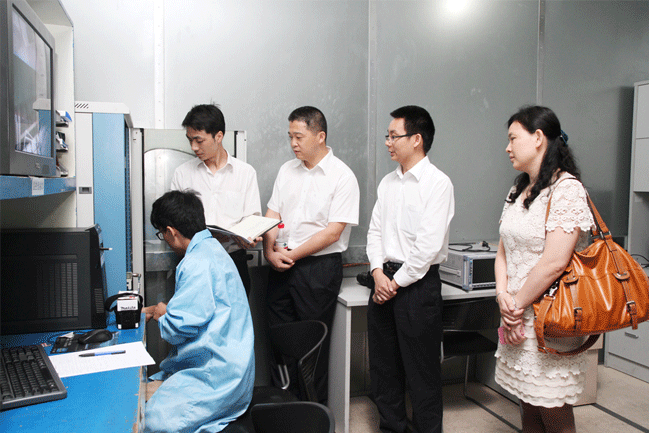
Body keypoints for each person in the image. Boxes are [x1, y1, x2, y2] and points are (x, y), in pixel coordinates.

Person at [495, 105, 595, 432]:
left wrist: (515, 304)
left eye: (513, 138)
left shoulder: (567, 189)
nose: (507, 147)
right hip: (515, 314)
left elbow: (554, 262)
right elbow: (503, 251)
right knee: (527, 401)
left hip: (550, 316)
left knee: (552, 407)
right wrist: (502, 296)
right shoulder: (517, 190)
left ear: (538, 138)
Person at [366, 105, 454, 432]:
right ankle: (392, 428)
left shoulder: (438, 183)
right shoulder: (388, 182)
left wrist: (394, 283)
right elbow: (375, 232)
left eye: (394, 136)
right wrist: (377, 273)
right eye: (387, 136)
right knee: (383, 369)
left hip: (417, 286)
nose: (387, 142)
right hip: (383, 280)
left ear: (416, 139)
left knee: (421, 373)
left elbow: (427, 247)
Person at [262, 106, 360, 403]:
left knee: (311, 350)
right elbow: (272, 214)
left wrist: (290, 254)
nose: (293, 143)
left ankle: (313, 416)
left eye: (299, 137)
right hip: (279, 265)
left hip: (317, 270)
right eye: (290, 136)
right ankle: (284, 412)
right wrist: (268, 250)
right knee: (279, 344)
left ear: (320, 136)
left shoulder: (342, 176)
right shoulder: (286, 170)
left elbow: (332, 233)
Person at [143, 190, 255, 433]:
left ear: (171, 232)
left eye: (162, 234)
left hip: (217, 378)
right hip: (229, 368)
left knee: (149, 423)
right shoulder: (211, 249)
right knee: (146, 391)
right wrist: (163, 311)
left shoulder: (196, 263)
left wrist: (164, 314)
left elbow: (177, 329)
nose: (164, 238)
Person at [171, 103, 261, 296]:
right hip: (194, 261)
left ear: (218, 136)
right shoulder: (182, 174)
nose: (194, 147)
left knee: (235, 313)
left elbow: (252, 219)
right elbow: (172, 223)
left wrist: (250, 236)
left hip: (233, 260)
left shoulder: (245, 173)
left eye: (199, 140)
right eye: (190, 140)